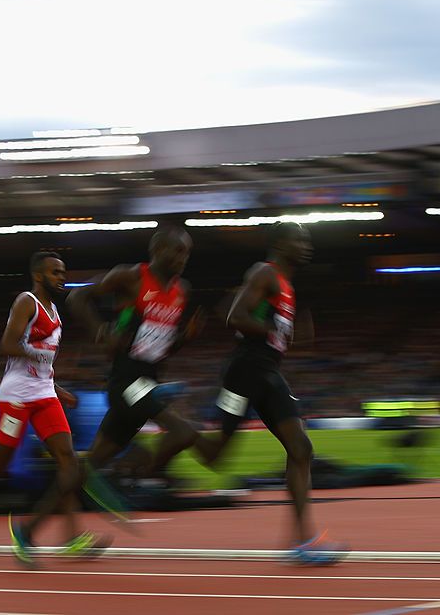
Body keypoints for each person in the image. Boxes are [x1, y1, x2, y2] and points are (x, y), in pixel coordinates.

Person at [0, 251, 107, 564]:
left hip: (44, 396)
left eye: (63, 272)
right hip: (16, 397)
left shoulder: (56, 313)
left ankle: (59, 536)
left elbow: (43, 365)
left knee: (70, 465)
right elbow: (7, 345)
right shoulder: (27, 302)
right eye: (55, 272)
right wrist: (37, 356)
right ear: (39, 276)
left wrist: (57, 388)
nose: (61, 277)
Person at [193, 222, 346, 565]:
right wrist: (274, 332)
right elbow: (234, 316)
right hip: (247, 370)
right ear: (280, 244)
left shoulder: (284, 284)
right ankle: (176, 428)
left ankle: (303, 542)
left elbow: (230, 309)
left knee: (300, 448)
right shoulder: (266, 272)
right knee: (216, 453)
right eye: (300, 239)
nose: (307, 245)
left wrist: (283, 336)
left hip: (263, 372)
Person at [67, 228, 205, 517]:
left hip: (148, 383)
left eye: (188, 253)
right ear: (157, 251)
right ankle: (136, 479)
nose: (184, 258)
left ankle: (31, 527)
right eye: (177, 250)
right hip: (127, 382)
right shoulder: (130, 277)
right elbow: (77, 297)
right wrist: (100, 332)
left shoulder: (182, 291)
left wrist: (185, 339)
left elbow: (162, 348)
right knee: (185, 431)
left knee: (91, 464)